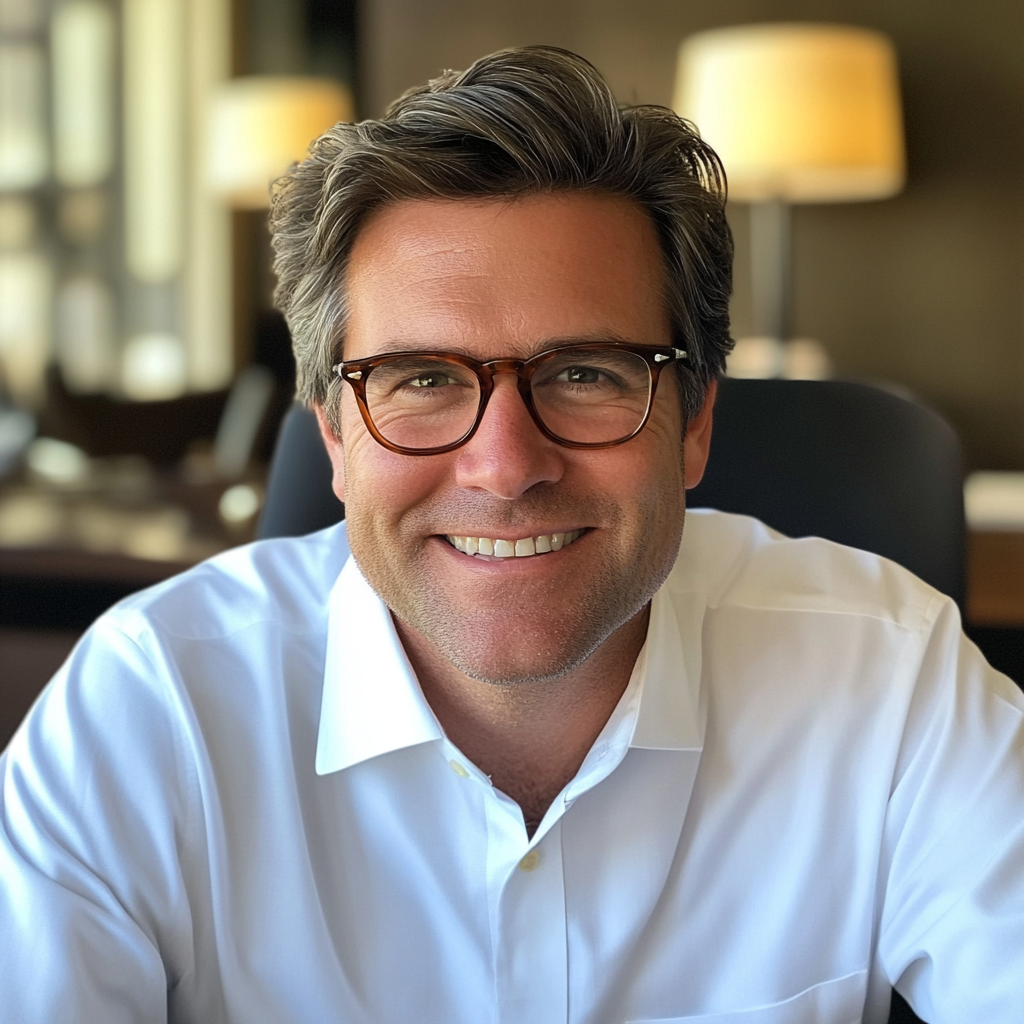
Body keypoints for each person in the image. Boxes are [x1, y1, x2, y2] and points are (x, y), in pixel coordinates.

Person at [1, 46, 1022, 1024]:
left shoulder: (889, 679)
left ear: (696, 421)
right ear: (336, 436)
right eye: (424, 379)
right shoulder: (149, 709)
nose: (503, 467)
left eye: (583, 373)